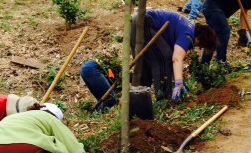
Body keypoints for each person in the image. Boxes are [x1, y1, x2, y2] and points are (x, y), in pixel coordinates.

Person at [82, 10, 218, 103]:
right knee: (164, 57)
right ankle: (163, 99)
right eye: (201, 45)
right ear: (201, 38)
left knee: (145, 66)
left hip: (136, 22)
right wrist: (178, 83)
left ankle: (139, 101)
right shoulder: (189, 34)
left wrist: (177, 80)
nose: (198, 47)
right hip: (145, 23)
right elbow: (176, 58)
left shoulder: (186, 26)